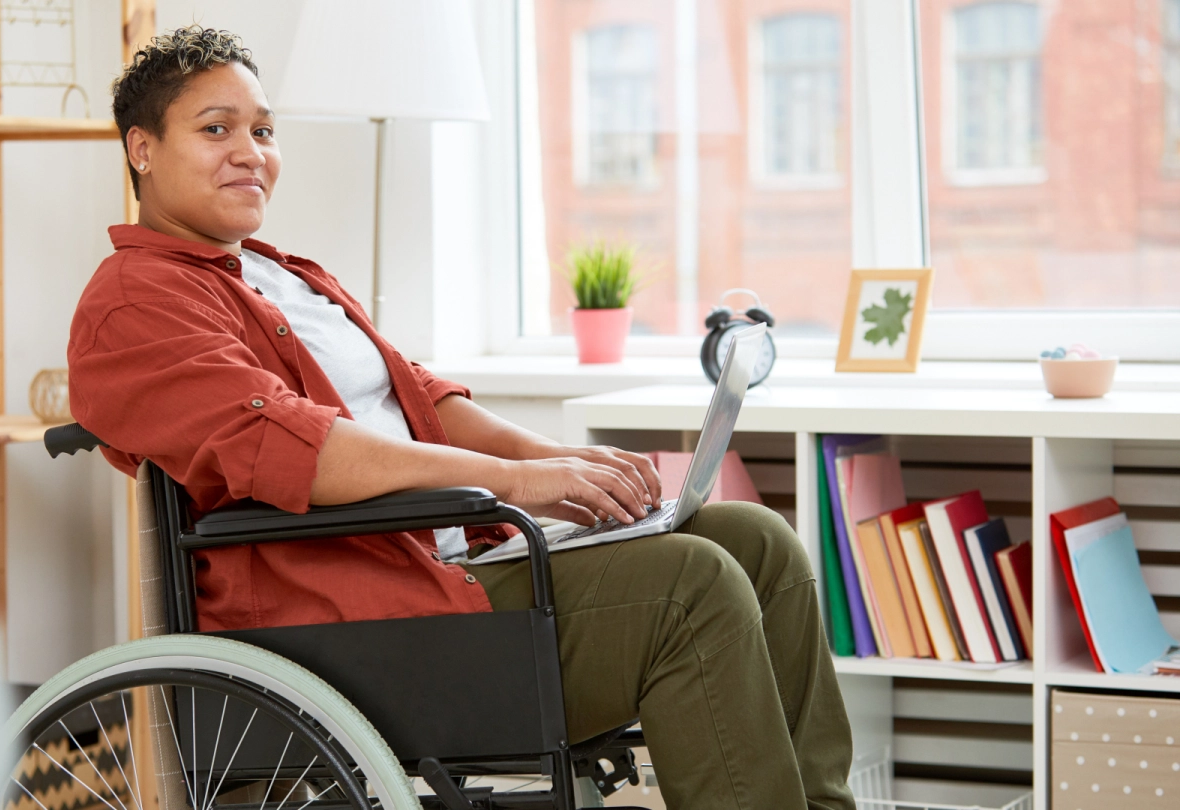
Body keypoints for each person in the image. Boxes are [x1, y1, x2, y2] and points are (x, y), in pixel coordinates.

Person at [68, 27, 855, 810]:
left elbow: (427, 402)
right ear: (142, 149)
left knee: (760, 542)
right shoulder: (137, 300)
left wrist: (572, 469)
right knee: (693, 586)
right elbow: (300, 449)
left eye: (263, 130)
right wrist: (520, 481)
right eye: (217, 130)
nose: (251, 152)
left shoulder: (285, 274)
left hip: (448, 561)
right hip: (362, 617)